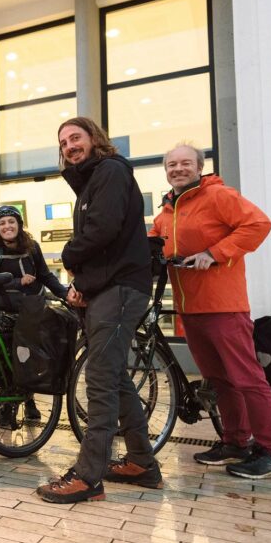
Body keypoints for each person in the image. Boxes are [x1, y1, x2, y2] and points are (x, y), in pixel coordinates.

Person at [37, 116, 160, 504]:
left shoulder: (109, 171)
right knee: (117, 377)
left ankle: (89, 476)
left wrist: (70, 256)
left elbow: (102, 233)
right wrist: (82, 285)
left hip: (121, 288)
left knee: (101, 381)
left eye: (76, 138)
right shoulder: (92, 180)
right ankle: (142, 462)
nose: (70, 146)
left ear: (94, 139)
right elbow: (105, 243)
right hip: (111, 287)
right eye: (64, 143)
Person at [151, 144, 271, 479]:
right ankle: (235, 442)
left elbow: (258, 224)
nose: (177, 168)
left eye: (185, 163)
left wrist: (215, 252)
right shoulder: (166, 214)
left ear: (200, 167)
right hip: (189, 309)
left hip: (224, 307)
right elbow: (151, 247)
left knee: (248, 379)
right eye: (171, 164)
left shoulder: (219, 196)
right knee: (220, 380)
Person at [0, 205, 68, 420]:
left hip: (29, 311)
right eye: (2, 223)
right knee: (5, 361)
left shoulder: (33, 247)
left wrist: (65, 294)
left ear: (19, 225)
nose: (7, 226)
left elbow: (46, 276)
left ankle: (29, 401)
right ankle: (8, 406)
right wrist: (18, 281)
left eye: (11, 221)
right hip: (3, 312)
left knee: (28, 360)